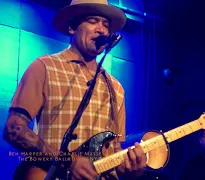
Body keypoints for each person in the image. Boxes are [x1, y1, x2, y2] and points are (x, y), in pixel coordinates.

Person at [3, 0, 147, 179]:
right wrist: (67, 162)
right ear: (72, 27)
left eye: (106, 24)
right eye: (93, 21)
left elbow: (114, 151)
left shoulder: (116, 88)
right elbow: (13, 129)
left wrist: (130, 169)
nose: (101, 30)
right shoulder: (45, 67)